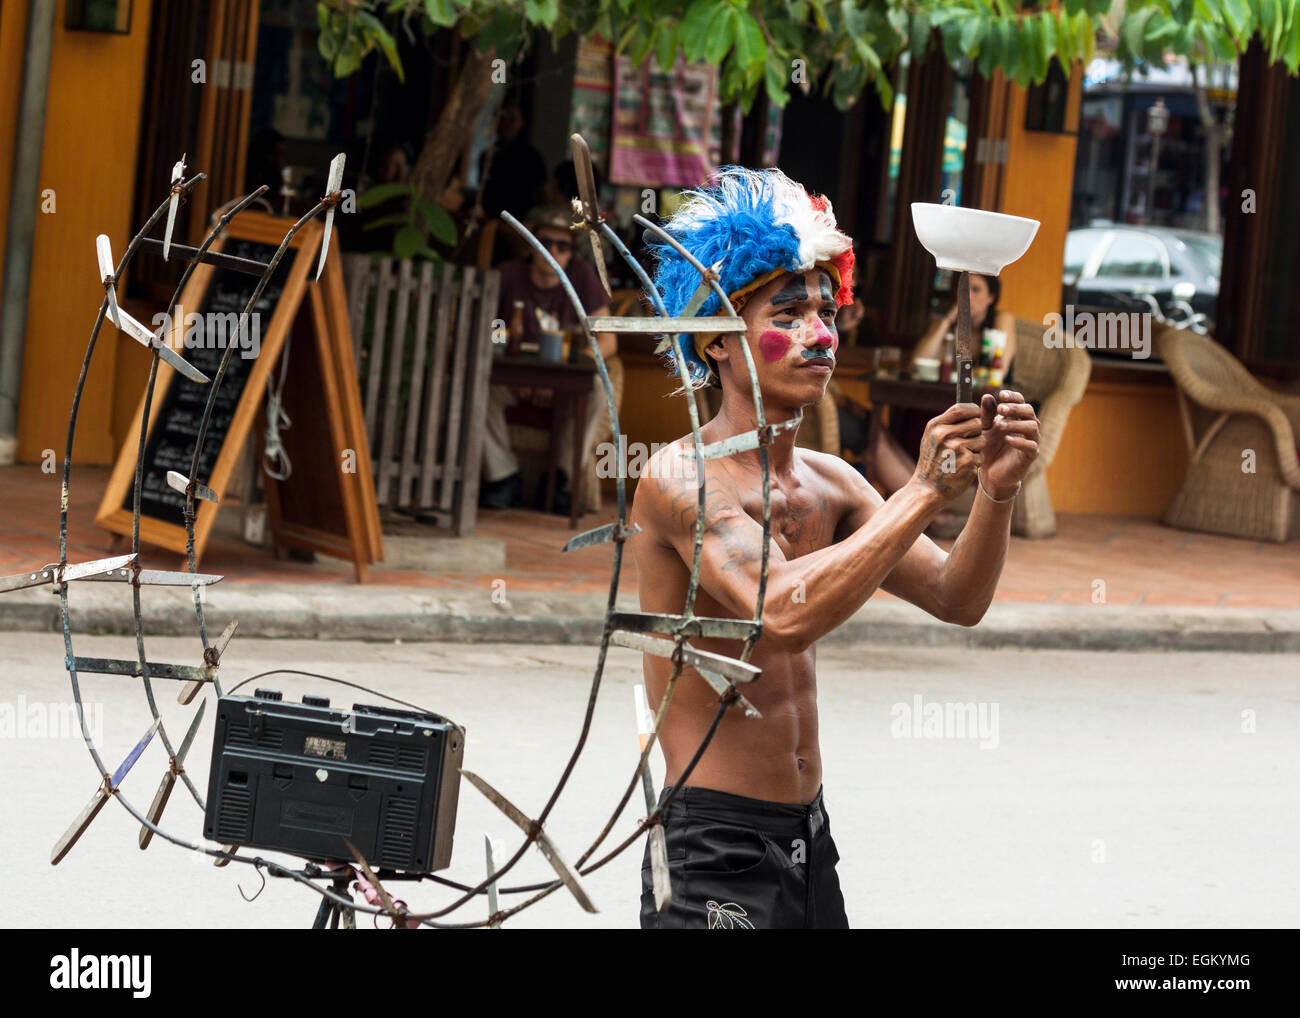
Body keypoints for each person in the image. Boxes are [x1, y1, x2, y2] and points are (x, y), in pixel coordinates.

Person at [630, 167, 1040, 928]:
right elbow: (780, 611)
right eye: (790, 312)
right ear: (716, 339)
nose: (820, 334)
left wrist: (997, 491)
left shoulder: (833, 483)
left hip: (808, 838)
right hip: (711, 845)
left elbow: (958, 598)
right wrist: (920, 493)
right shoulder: (679, 479)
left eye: (827, 310)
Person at [838, 272, 1018, 537]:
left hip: (979, 416)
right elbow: (917, 363)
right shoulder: (949, 323)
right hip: (934, 410)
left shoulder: (1002, 321)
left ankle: (923, 507)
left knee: (882, 432)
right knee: (888, 427)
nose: (967, 296)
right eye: (962, 290)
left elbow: (998, 373)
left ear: (992, 297)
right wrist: (948, 320)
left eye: (976, 290)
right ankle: (929, 509)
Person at [479, 205, 617, 513]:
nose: (551, 251)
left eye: (562, 245)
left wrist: (563, 372)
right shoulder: (507, 275)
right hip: (511, 382)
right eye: (543, 242)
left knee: (595, 389)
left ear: (571, 253)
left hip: (562, 385)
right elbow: (483, 331)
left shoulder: (582, 277)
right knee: (475, 385)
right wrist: (516, 371)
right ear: (531, 245)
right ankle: (503, 479)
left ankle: (560, 481)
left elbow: (608, 341)